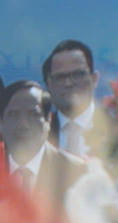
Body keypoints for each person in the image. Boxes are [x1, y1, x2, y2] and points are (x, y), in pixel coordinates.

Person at [1, 81, 85, 211]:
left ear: (48, 120)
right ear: (1, 123)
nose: (23, 125)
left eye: (33, 115)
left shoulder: (76, 173)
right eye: (13, 115)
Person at [40, 40, 110, 163]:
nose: (68, 83)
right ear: (48, 84)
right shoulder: (38, 134)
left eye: (77, 75)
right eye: (60, 77)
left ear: (94, 79)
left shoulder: (116, 129)